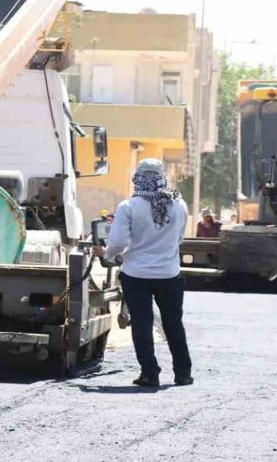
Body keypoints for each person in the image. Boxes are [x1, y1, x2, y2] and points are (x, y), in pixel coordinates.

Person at [93, 159, 192, 388]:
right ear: (162, 177)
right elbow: (179, 239)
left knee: (142, 324)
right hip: (169, 274)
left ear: (137, 178)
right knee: (173, 323)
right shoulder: (180, 205)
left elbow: (117, 242)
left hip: (136, 274)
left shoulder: (129, 206)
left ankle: (150, 374)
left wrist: (107, 254)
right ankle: (183, 373)